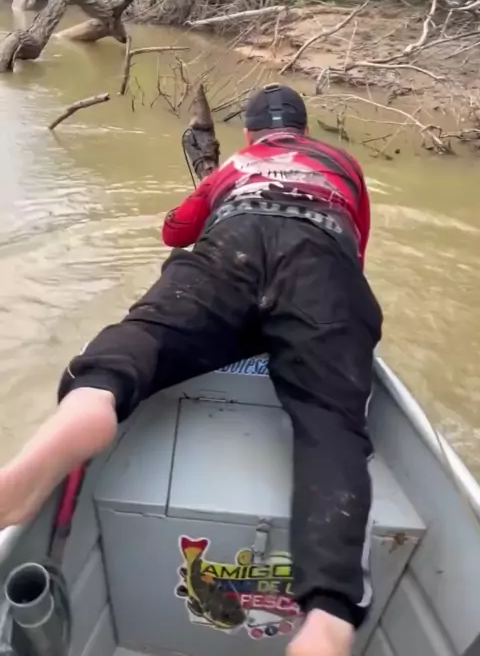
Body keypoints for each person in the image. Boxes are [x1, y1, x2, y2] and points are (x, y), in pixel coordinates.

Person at [0, 85, 382, 656]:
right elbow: (356, 249)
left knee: (143, 337)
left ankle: (94, 398)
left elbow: (175, 232)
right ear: (304, 131)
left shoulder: (236, 165)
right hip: (321, 255)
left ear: (250, 133)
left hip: (234, 241)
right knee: (332, 421)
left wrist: (205, 199)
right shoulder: (342, 164)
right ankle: (328, 612)